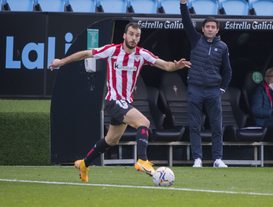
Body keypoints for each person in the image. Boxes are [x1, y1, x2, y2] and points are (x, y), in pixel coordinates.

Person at [49, 22, 191, 182]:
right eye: (131, 34)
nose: (134, 38)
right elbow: (85, 54)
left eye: (137, 35)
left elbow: (165, 65)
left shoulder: (142, 54)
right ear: (124, 35)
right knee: (143, 122)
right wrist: (61, 62)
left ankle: (83, 163)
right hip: (113, 100)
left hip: (124, 103)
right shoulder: (112, 50)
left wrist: (176, 66)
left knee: (111, 140)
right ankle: (143, 161)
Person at [179, 0, 232, 168]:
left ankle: (217, 159)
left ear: (217, 30)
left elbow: (228, 71)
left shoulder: (223, 47)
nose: (210, 29)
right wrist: (183, 2)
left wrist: (222, 89)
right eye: (207, 27)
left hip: (213, 91)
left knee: (216, 126)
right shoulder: (196, 40)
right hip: (195, 89)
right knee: (195, 126)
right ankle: (198, 159)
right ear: (203, 29)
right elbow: (186, 22)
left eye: (213, 27)